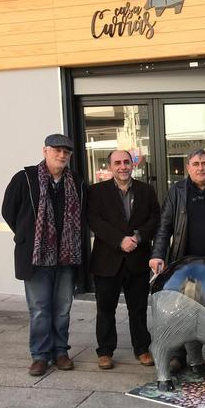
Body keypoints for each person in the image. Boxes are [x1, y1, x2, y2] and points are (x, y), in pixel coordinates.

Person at [2, 134, 86, 376]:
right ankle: (40, 355)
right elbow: (9, 210)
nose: (62, 155)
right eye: (57, 150)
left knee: (62, 308)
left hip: (67, 258)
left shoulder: (77, 182)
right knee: (39, 308)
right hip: (37, 258)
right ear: (45, 151)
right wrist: (29, 238)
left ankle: (60, 352)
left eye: (66, 152)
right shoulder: (25, 178)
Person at [149, 148, 205, 372]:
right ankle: (179, 354)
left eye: (204, 164)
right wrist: (157, 254)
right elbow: (164, 226)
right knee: (181, 309)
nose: (200, 168)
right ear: (188, 167)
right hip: (184, 264)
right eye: (195, 164)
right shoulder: (176, 191)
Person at [87, 149, 160, 370]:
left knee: (137, 308)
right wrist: (120, 240)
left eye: (126, 162)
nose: (122, 166)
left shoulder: (146, 190)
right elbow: (94, 220)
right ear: (110, 167)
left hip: (137, 258)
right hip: (107, 259)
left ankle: (142, 348)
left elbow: (155, 219)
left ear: (132, 164)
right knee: (105, 308)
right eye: (117, 163)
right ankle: (105, 351)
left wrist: (137, 237)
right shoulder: (96, 192)